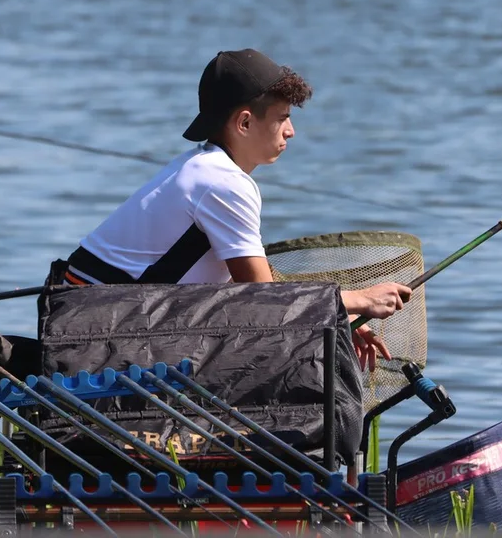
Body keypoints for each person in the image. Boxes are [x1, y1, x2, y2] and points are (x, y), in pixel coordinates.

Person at [62, 49, 412, 371]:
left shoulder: (202, 166)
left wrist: (336, 317)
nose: (291, 132)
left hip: (88, 321)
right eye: (282, 118)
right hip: (93, 340)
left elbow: (255, 285)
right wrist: (359, 300)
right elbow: (265, 300)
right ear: (244, 123)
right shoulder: (223, 182)